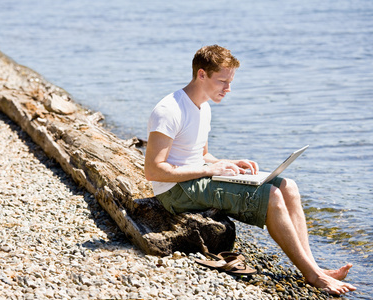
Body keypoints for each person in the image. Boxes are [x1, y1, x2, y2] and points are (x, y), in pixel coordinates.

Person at [144, 44, 356, 295]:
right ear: (201, 74)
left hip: (195, 179)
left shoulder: (204, 106)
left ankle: (315, 267)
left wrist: (229, 163)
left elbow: (201, 155)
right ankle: (312, 276)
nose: (228, 88)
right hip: (175, 191)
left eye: (230, 81)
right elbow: (154, 171)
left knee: (287, 186)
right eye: (222, 81)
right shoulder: (169, 110)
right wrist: (209, 171)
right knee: (271, 196)